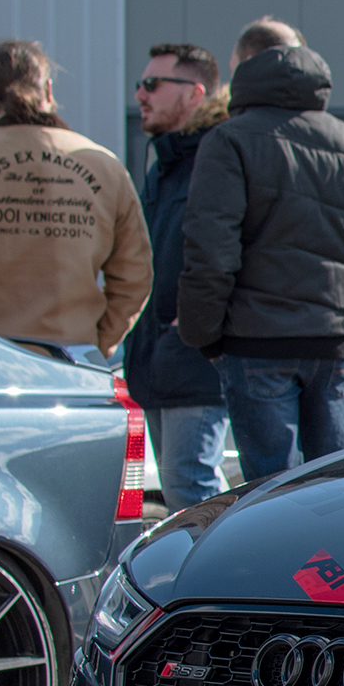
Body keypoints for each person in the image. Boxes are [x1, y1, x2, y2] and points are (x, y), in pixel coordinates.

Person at [178, 18, 344, 480]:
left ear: (242, 67)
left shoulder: (229, 140)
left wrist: (205, 336)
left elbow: (210, 251)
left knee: (269, 493)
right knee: (332, 488)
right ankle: (339, 556)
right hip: (332, 343)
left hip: (256, 340)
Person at [0, 39, 150, 355]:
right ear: (49, 91)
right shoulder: (104, 167)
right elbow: (135, 278)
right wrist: (97, 342)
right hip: (68, 358)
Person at [123, 42, 230, 510]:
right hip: (155, 360)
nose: (140, 95)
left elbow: (227, 254)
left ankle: (224, 583)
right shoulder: (163, 166)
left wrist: (190, 326)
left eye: (152, 84)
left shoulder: (217, 157)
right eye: (139, 84)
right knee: (178, 495)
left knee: (192, 491)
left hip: (194, 359)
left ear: (195, 93)